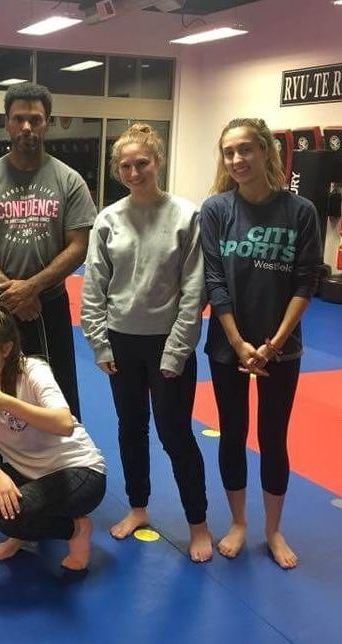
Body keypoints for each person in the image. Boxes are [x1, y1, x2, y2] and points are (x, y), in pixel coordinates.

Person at [81, 123, 212, 563]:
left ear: (158, 162)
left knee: (176, 435)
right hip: (122, 342)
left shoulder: (186, 216)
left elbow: (195, 290)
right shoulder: (109, 218)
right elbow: (94, 286)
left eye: (142, 163)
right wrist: (100, 343)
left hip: (167, 343)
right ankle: (138, 507)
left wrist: (178, 350)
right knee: (130, 428)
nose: (134, 172)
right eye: (126, 165)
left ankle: (198, 523)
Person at [200, 118, 322, 569]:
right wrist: (238, 341)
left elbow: (306, 281)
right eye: (229, 152)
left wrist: (273, 344)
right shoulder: (216, 210)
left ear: (266, 152)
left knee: (273, 437)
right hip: (228, 346)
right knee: (233, 434)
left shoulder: (300, 211)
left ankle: (272, 529)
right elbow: (215, 279)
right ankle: (237, 522)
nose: (237, 160)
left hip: (281, 350)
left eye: (246, 150)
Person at [0, 82, 96, 422]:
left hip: (47, 304)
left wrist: (33, 287)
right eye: (19, 119)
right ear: (7, 122)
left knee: (56, 386)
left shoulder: (69, 180)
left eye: (35, 119)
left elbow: (78, 245)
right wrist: (12, 291)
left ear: (48, 121)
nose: (27, 127)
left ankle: (60, 462)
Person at [0, 304, 106, 571]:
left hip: (79, 471)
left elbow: (63, 423)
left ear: (7, 349)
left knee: (9, 518)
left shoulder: (33, 370)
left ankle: (76, 529)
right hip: (26, 473)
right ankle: (27, 527)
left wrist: (5, 402)